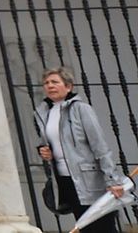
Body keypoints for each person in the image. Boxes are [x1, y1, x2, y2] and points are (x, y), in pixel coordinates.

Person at [35, 66, 125, 232]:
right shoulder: (44, 113)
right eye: (46, 83)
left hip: (89, 180)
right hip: (66, 180)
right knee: (85, 227)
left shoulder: (81, 109)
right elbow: (53, 143)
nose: (50, 85)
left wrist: (113, 180)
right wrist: (45, 151)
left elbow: (100, 146)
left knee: (103, 227)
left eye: (55, 82)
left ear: (68, 86)